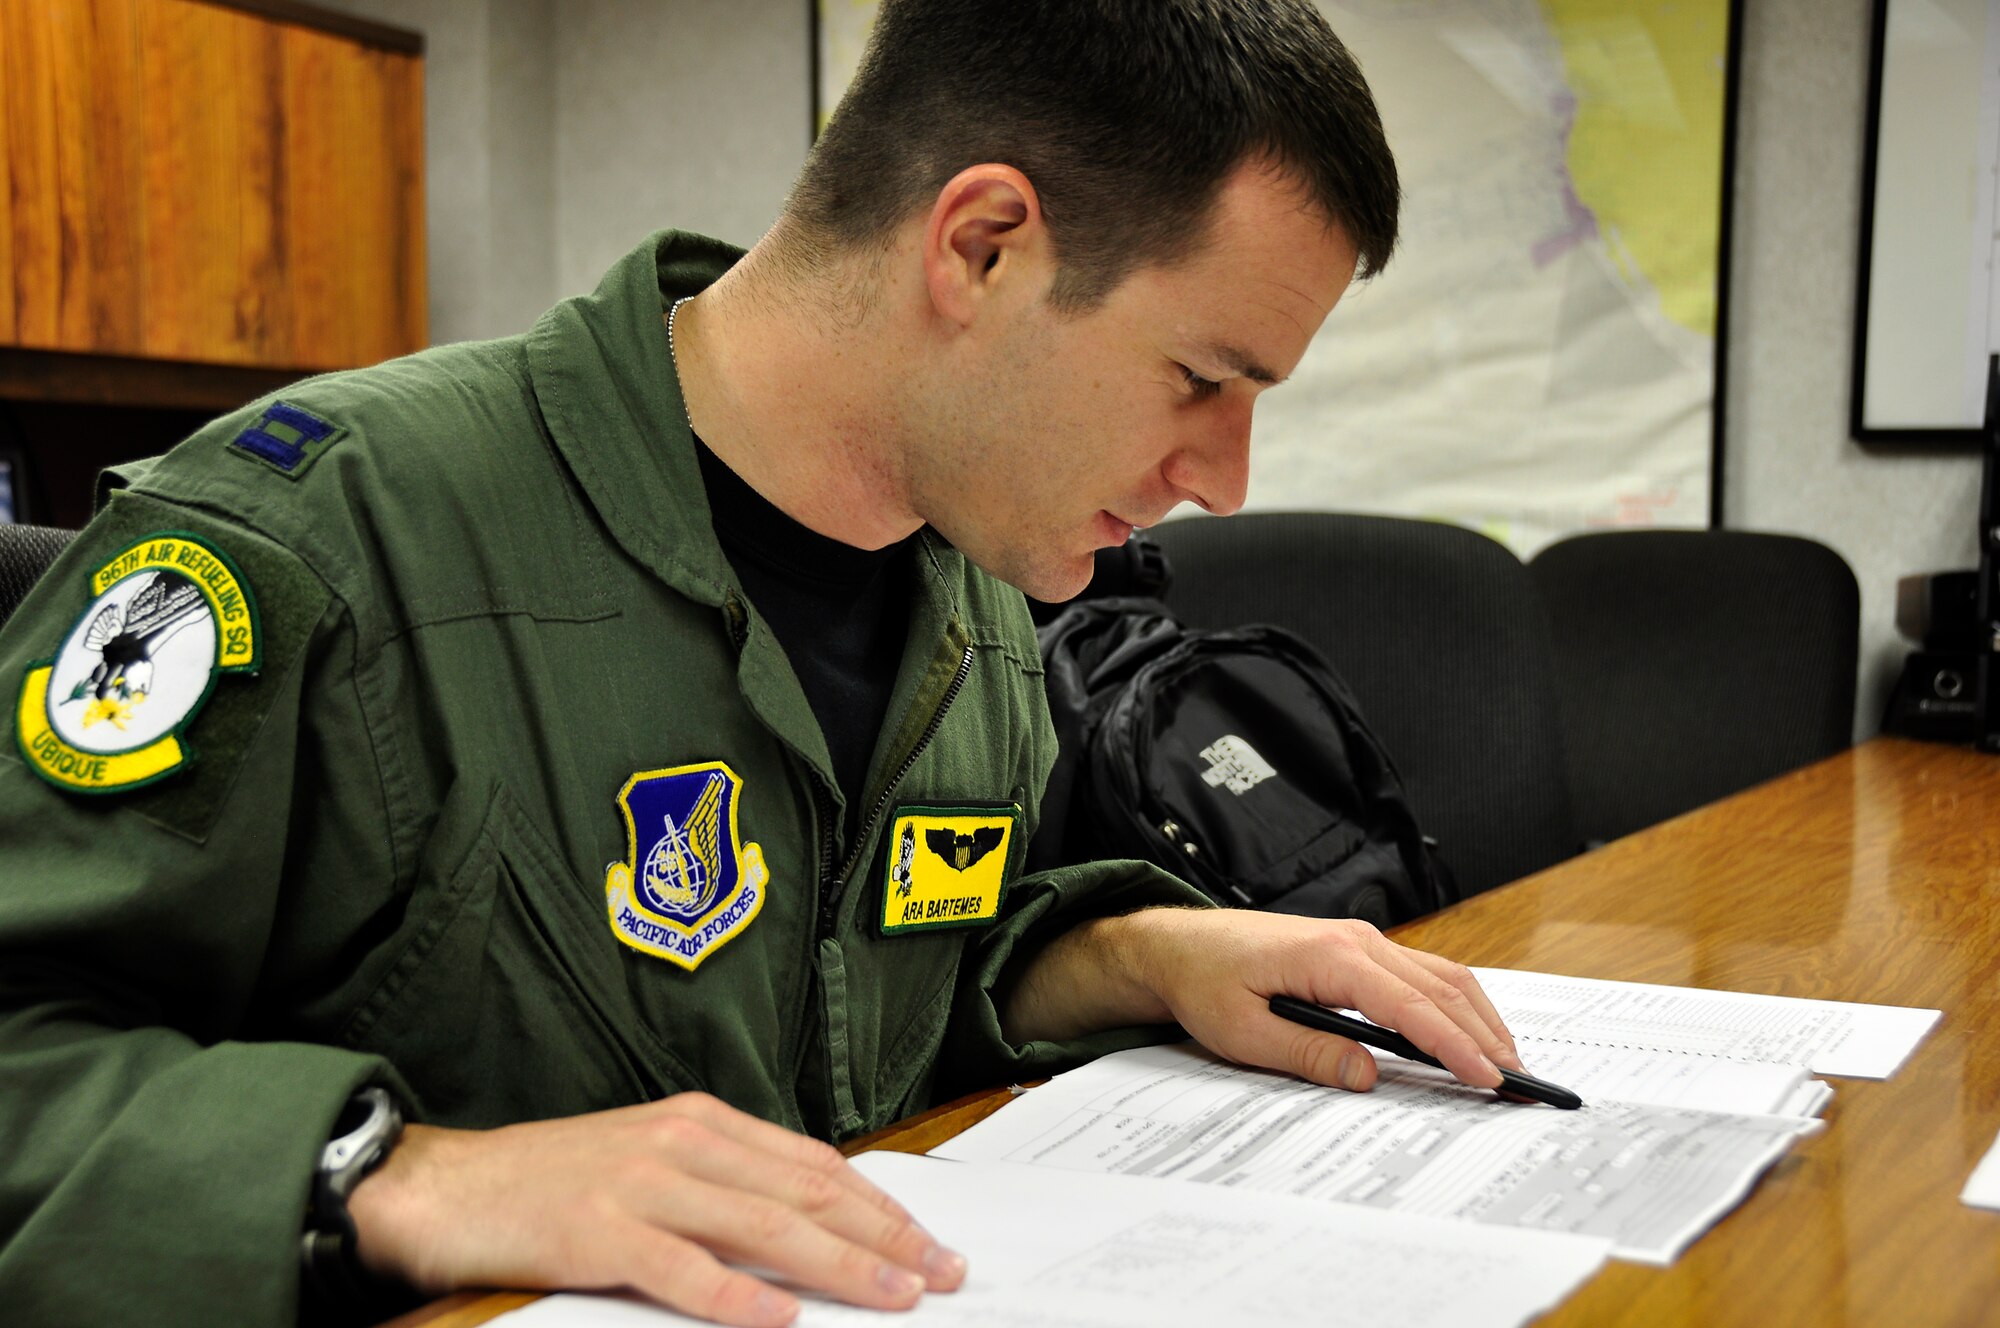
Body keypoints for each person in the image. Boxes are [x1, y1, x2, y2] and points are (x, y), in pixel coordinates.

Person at [0, 2, 1528, 1325]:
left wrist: (1131, 953)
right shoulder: (320, 544)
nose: (1229, 477)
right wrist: (394, 1173)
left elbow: (860, 985)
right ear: (982, 245)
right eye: (1202, 377)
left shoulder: (975, 587)